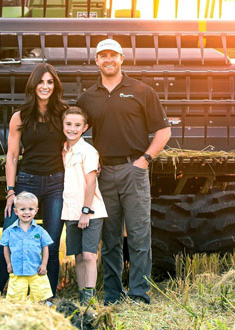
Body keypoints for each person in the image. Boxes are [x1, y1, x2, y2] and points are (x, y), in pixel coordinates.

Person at [77, 39, 172, 305]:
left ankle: (140, 293)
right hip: (103, 173)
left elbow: (164, 131)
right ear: (96, 61)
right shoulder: (88, 97)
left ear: (122, 59)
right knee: (110, 239)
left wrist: (144, 160)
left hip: (134, 171)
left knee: (140, 235)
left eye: (113, 55)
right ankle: (112, 295)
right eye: (102, 55)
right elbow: (73, 130)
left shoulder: (141, 91)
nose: (108, 60)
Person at [0, 63, 68, 298]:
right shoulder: (20, 116)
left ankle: (47, 297)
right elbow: (12, 156)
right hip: (27, 183)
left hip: (56, 183)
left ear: (55, 86)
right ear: (33, 85)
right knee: (11, 239)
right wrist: (11, 192)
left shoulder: (64, 113)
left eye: (50, 82)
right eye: (41, 82)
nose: (45, 86)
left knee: (51, 245)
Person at [61, 106, 107, 305]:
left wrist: (86, 212)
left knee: (89, 256)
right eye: (68, 124)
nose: (72, 128)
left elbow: (91, 182)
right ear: (62, 125)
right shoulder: (65, 150)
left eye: (77, 125)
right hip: (70, 211)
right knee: (78, 257)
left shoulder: (88, 151)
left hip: (89, 211)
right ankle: (82, 297)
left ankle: (90, 301)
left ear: (85, 127)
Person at [2, 192, 54, 303]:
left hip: (36, 269)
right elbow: (5, 247)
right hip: (17, 270)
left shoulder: (40, 231)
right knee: (15, 299)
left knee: (40, 295)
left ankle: (41, 308)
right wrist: (8, 263)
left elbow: (45, 247)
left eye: (30, 209)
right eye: (22, 209)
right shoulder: (9, 231)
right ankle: (18, 309)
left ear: (36, 211)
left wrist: (44, 264)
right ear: (16, 211)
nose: (26, 212)